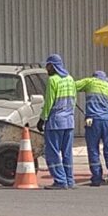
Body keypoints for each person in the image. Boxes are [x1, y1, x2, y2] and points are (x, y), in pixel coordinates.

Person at [75, 71, 108, 187]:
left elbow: (72, 85)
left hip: (93, 121)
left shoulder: (90, 82)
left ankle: (97, 177)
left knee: (93, 149)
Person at [38, 54, 76, 190]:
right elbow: (74, 100)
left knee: (52, 152)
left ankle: (60, 181)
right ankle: (69, 180)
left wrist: (42, 118)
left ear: (53, 66)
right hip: (69, 122)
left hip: (55, 122)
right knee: (67, 152)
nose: (46, 69)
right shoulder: (70, 79)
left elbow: (49, 101)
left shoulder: (53, 80)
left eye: (47, 66)